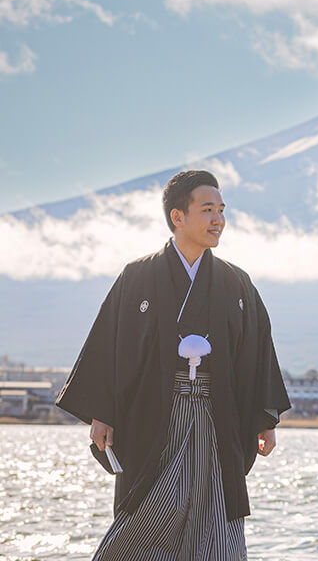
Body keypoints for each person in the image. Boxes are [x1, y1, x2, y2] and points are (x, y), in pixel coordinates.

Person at [57, 170, 291, 561]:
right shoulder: (138, 276)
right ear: (177, 217)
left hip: (219, 419)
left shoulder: (236, 282)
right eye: (207, 210)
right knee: (144, 516)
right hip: (155, 417)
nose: (218, 219)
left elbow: (257, 352)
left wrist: (263, 418)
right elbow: (110, 346)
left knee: (216, 518)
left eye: (221, 210)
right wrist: (102, 413)